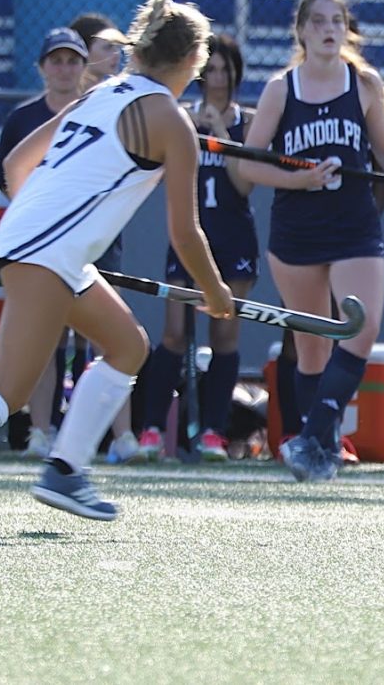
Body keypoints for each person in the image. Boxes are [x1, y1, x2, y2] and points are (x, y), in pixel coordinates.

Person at [0, 0, 235, 532]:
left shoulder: (103, 92)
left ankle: (63, 468)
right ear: (193, 62)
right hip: (47, 253)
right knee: (9, 389)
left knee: (128, 345)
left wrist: (44, 224)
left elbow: (18, 164)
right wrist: (216, 292)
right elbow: (185, 232)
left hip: (42, 246)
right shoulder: (171, 121)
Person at [239, 0, 384, 483]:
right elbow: (247, 164)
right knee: (313, 347)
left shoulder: (364, 84)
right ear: (302, 32)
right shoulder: (281, 89)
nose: (329, 29)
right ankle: (322, 450)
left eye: (337, 21)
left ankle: (311, 435)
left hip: (353, 223)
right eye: (319, 21)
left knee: (361, 326)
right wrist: (299, 179)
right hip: (297, 229)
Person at [138, 33, 258, 461]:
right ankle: (152, 428)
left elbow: (244, 184)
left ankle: (213, 432)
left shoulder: (248, 121)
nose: (218, 78)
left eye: (227, 70)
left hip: (233, 239)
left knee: (225, 335)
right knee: (173, 332)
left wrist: (223, 132)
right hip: (188, 234)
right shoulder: (181, 118)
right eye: (212, 69)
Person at [0, 26, 88, 458]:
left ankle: (95, 435)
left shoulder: (97, 114)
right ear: (42, 67)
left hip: (90, 238)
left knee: (102, 338)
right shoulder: (23, 118)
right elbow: (7, 177)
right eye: (57, 60)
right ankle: (41, 429)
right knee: (45, 336)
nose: (64, 69)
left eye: (73, 60)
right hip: (39, 243)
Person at [68, 12, 136, 460]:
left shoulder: (119, 101)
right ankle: (60, 446)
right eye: (107, 47)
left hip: (100, 236)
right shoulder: (82, 105)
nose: (117, 56)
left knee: (119, 341)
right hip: (61, 242)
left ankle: (116, 438)